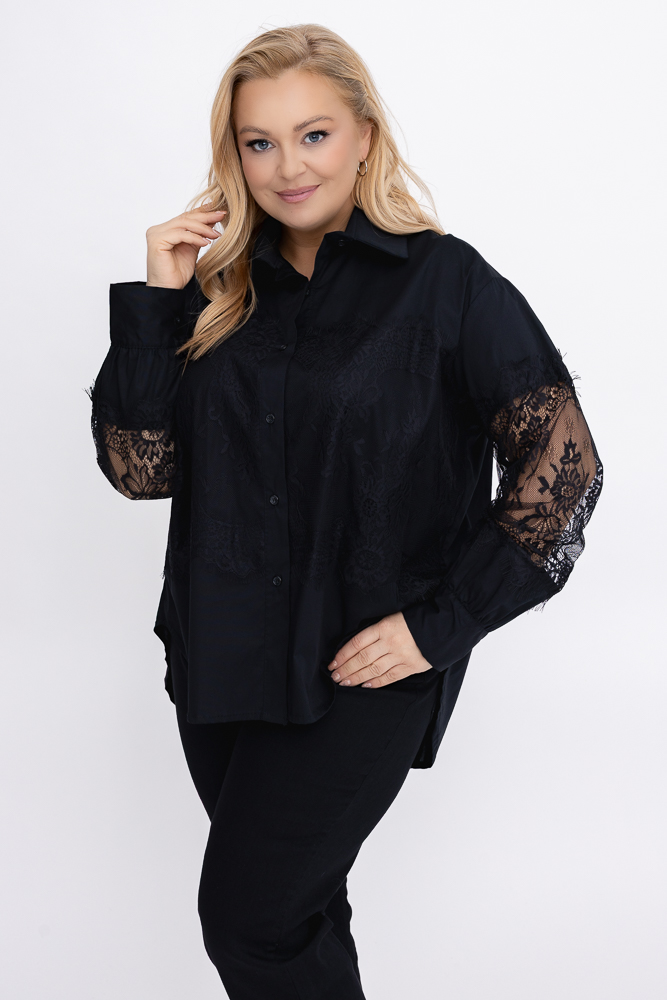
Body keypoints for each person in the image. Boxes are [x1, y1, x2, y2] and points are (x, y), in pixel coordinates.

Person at [88, 23, 603, 1000]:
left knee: (251, 921)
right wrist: (158, 299)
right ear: (235, 154)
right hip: (222, 658)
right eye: (260, 142)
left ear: (364, 136)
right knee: (301, 919)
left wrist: (439, 625)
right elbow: (138, 470)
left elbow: (563, 468)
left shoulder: (445, 283)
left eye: (313, 134)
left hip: (364, 666)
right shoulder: (215, 291)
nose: (288, 167)